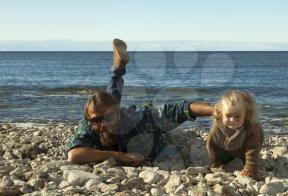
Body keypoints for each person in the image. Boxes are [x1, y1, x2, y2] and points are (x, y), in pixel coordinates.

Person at [66, 39, 214, 165]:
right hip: (112, 110)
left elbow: (181, 109)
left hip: (124, 115)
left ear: (119, 114)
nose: (103, 124)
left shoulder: (141, 118)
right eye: (97, 120)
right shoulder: (91, 124)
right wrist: (122, 156)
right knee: (110, 100)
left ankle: (118, 68)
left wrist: (216, 110)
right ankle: (118, 67)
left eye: (108, 118)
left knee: (111, 102)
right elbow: (74, 155)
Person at [206, 90, 266, 180]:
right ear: (221, 114)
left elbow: (252, 148)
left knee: (249, 155)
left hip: (244, 148)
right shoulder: (217, 127)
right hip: (227, 148)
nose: (232, 120)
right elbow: (212, 146)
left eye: (237, 116)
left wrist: (250, 166)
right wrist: (216, 163)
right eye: (228, 116)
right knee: (216, 154)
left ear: (246, 115)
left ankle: (244, 160)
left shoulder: (251, 127)